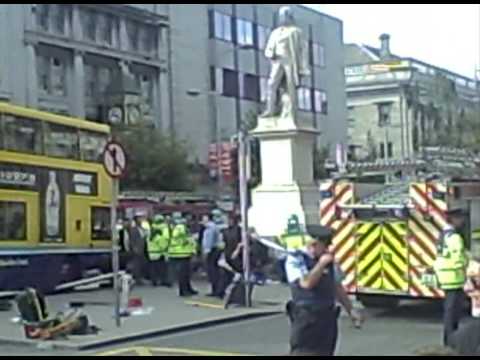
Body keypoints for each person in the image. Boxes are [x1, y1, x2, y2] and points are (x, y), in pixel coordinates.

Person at [284, 224, 363, 356]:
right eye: (323, 246)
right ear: (313, 244)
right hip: (306, 318)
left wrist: (351, 310)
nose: (326, 249)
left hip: (326, 319)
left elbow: (337, 287)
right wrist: (321, 265)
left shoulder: (329, 262)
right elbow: (306, 283)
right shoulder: (297, 259)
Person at [260, 6, 309, 119]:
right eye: (281, 16)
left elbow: (302, 50)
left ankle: (291, 111)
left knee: (290, 86)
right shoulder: (275, 32)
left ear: (290, 17)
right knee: (271, 84)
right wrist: (270, 53)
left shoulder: (295, 31)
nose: (283, 18)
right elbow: (268, 48)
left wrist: (303, 67)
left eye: (285, 16)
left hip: (289, 60)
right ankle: (270, 110)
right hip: (277, 60)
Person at [433, 208, 468, 346]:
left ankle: (450, 340)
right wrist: (468, 264)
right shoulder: (454, 237)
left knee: (450, 311)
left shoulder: (443, 234)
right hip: (453, 277)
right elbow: (458, 258)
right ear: (454, 219)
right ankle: (451, 342)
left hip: (445, 276)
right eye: (460, 218)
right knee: (452, 313)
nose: (463, 221)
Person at [168, 212, 198, 297]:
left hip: (183, 252)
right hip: (181, 253)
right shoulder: (180, 227)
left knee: (186, 273)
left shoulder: (177, 226)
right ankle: (183, 291)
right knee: (183, 274)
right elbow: (180, 236)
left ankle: (188, 288)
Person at [202, 210, 224, 298]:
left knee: (212, 271)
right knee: (215, 271)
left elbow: (209, 241)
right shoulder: (213, 227)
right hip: (215, 250)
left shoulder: (210, 228)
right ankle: (217, 290)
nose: (202, 221)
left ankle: (216, 290)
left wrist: (206, 251)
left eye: (204, 219)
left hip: (212, 251)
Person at [148, 214, 172, 287]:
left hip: (152, 253)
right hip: (159, 253)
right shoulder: (162, 229)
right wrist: (166, 247)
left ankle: (154, 281)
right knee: (162, 268)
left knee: (154, 268)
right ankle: (163, 280)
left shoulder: (151, 230)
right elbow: (164, 242)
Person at [128, 213, 148, 286]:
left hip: (142, 249)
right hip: (136, 250)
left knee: (142, 264)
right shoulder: (133, 229)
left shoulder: (142, 229)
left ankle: (140, 278)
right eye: (140, 219)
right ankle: (137, 279)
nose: (141, 220)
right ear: (136, 220)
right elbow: (132, 240)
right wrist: (134, 248)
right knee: (136, 265)